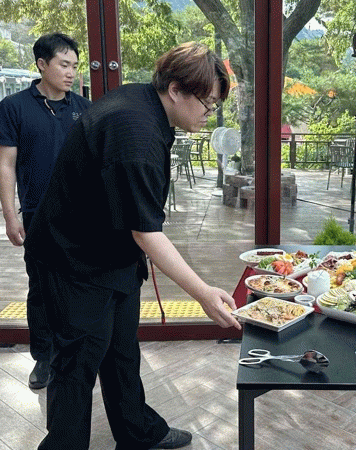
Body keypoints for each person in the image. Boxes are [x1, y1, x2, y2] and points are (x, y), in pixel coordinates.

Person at [24, 42, 241, 449]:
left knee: (122, 350)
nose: (209, 114)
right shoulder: (135, 133)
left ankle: (138, 432)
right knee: (77, 364)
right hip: (72, 259)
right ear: (175, 89)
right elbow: (146, 232)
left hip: (112, 252)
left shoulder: (143, 99)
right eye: (208, 103)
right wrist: (203, 293)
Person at [0, 33, 92, 389]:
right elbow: (6, 164)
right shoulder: (14, 107)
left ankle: (80, 352)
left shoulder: (85, 108)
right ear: (41, 64)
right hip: (37, 214)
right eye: (64, 65)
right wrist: (10, 216)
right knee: (41, 288)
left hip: (81, 216)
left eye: (75, 66)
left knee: (81, 285)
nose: (71, 73)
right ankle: (44, 357)